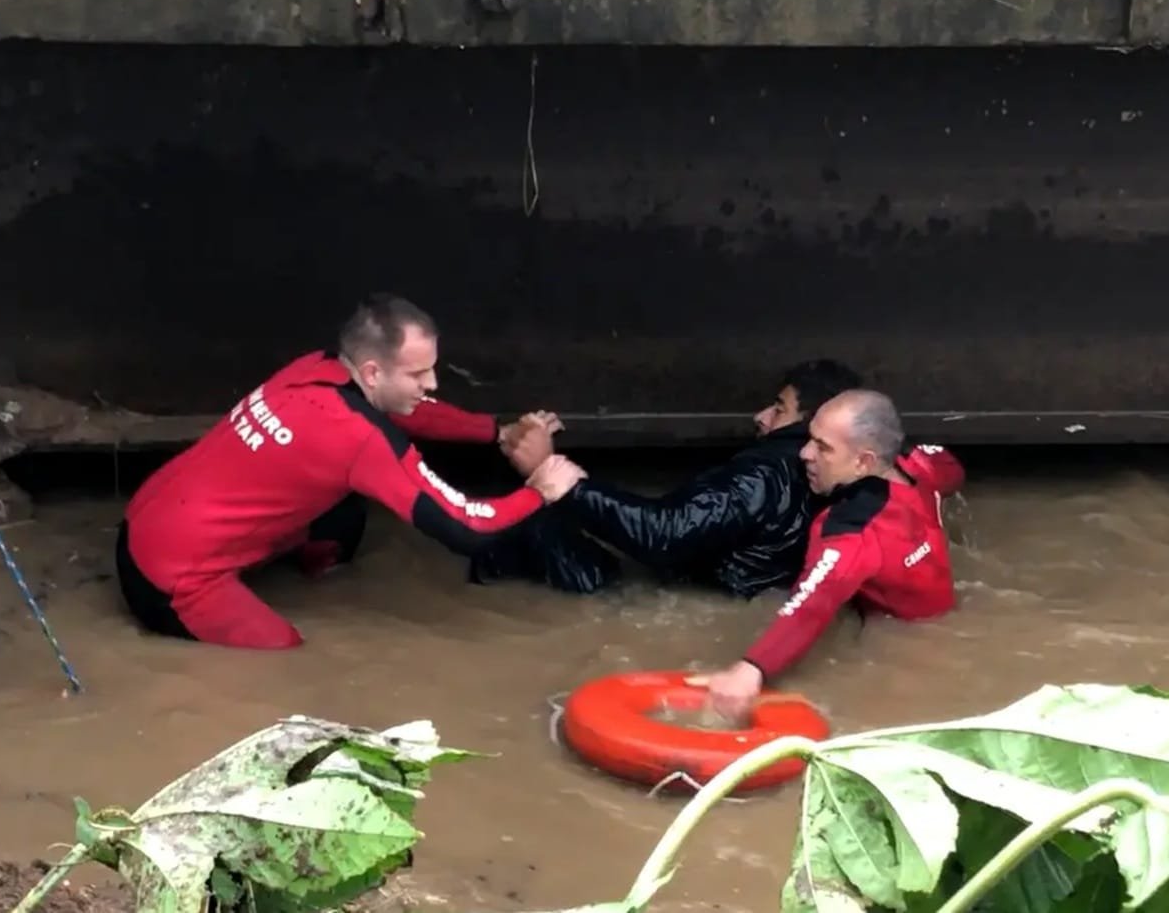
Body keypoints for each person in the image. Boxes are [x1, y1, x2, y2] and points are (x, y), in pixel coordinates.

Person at [115, 293, 584, 650]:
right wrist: (540, 491)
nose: (433, 384)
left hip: (146, 519)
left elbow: (410, 413)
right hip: (169, 582)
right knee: (289, 653)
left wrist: (493, 432)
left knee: (344, 511)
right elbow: (465, 525)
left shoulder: (314, 369)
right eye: (418, 374)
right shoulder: (356, 438)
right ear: (374, 372)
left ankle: (320, 578)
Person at [470, 359, 865, 598]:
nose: (761, 416)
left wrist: (551, 475)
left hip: (662, 599)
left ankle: (471, 598)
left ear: (814, 420)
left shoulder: (765, 473)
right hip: (732, 596)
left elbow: (665, 533)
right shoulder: (841, 474)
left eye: (779, 408)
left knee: (531, 519)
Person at [686, 388, 965, 720]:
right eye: (810, 439)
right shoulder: (922, 467)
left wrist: (750, 670)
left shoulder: (852, 531)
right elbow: (950, 467)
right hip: (947, 622)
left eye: (823, 447)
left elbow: (813, 601)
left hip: (910, 643)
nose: (804, 454)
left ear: (864, 461)